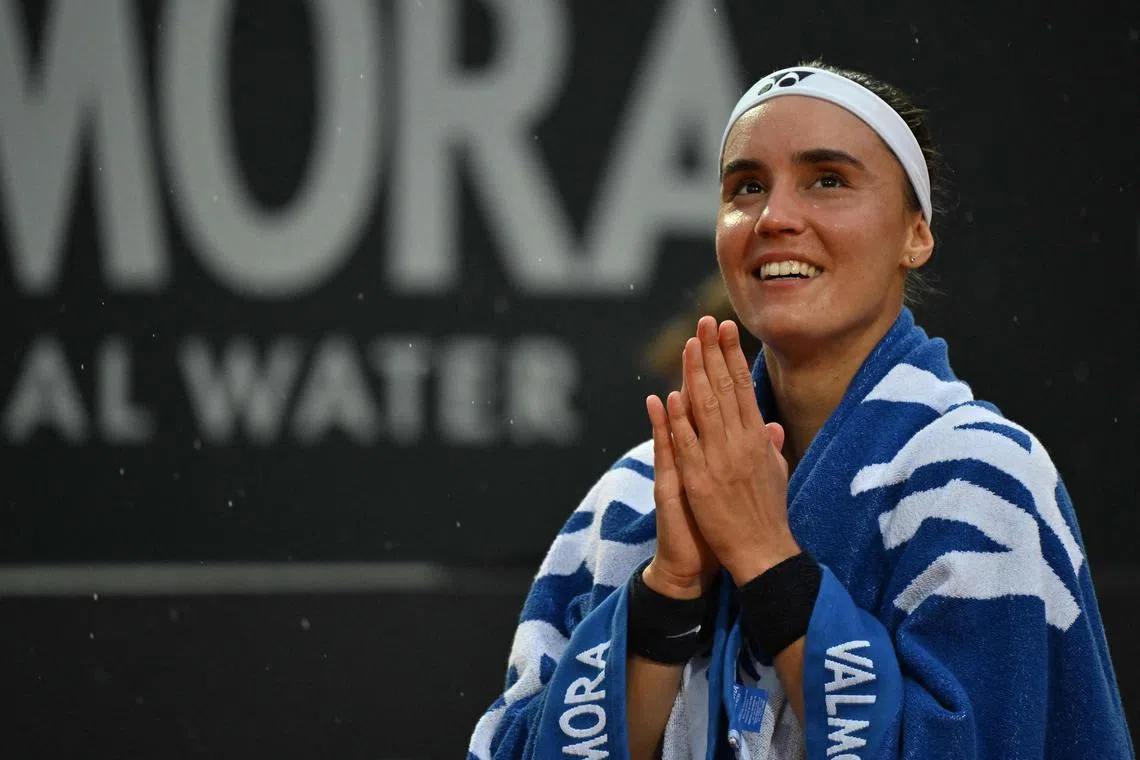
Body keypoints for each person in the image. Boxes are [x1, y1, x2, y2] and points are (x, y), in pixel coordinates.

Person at [468, 62, 1133, 759]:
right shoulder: (630, 499)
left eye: (828, 180)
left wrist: (767, 560)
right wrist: (668, 595)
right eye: (746, 187)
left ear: (916, 233)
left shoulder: (982, 478)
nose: (775, 217)